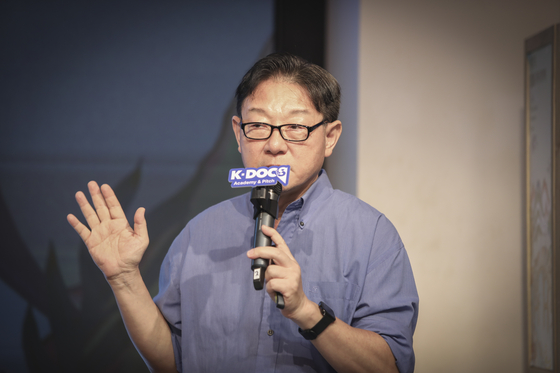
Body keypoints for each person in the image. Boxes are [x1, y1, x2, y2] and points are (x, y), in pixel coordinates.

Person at [67, 53, 418, 373]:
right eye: (258, 126)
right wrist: (124, 278)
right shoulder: (199, 232)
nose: (275, 144)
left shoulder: (371, 234)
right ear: (238, 134)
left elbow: (390, 367)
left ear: (330, 136)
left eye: (296, 127)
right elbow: (171, 361)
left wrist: (307, 312)